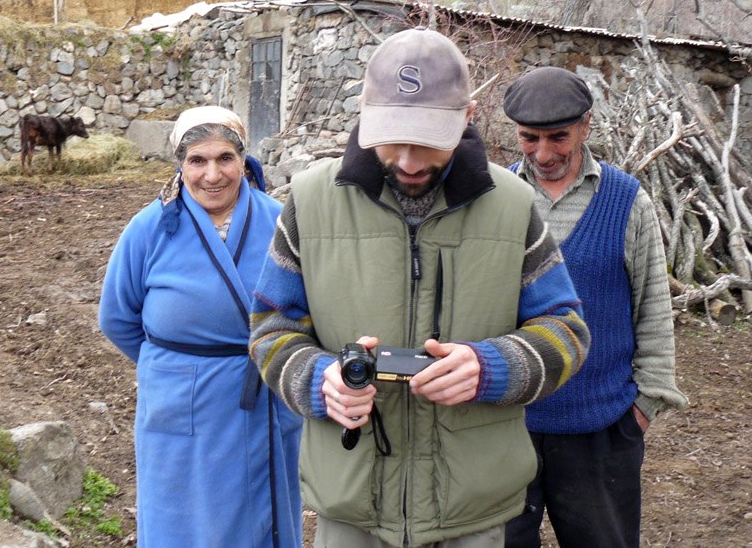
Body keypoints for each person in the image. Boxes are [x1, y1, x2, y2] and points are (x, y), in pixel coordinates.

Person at [249, 27, 591, 547]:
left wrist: (492, 368)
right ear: (365, 113)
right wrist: (320, 381)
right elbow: (271, 328)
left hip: (471, 511)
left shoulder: (513, 204)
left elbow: (567, 331)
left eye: (428, 141)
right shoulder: (309, 201)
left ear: (468, 118)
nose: (409, 161)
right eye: (393, 137)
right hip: (351, 504)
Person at [501, 67, 689, 548]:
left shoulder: (627, 202)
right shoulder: (495, 201)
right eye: (529, 138)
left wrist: (644, 405)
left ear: (586, 125)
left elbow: (652, 308)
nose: (543, 154)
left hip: (602, 429)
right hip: (504, 428)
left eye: (558, 137)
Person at [98, 106, 302, 547]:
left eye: (225, 158)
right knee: (182, 521)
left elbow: (309, 309)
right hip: (181, 404)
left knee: (259, 521)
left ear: (244, 162)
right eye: (197, 160)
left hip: (262, 396)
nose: (213, 174)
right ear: (180, 164)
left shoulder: (279, 222)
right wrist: (172, 366)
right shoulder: (149, 228)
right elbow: (116, 317)